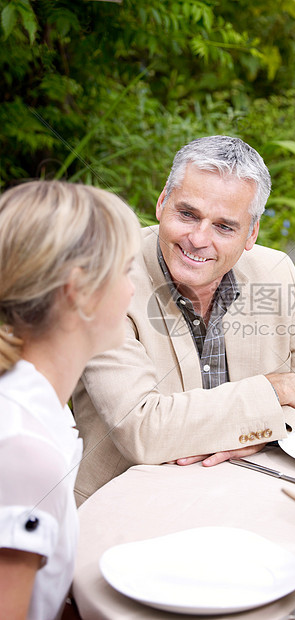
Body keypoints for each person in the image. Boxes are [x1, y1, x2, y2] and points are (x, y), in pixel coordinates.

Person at [72, 135, 295, 505]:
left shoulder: (272, 272)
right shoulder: (107, 278)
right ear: (163, 203)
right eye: (188, 214)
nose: (198, 239)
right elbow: (144, 430)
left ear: (251, 233)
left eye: (224, 227)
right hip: (124, 508)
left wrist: (265, 431)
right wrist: (279, 390)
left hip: (246, 498)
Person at [0, 180, 141, 620]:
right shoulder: (25, 452)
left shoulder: (39, 407)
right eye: (124, 270)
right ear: (78, 289)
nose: (133, 289)